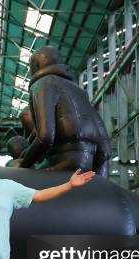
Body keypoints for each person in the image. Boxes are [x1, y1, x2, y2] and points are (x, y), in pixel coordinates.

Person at [19, 46, 111, 175]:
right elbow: (105, 149)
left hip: (61, 161)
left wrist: (23, 166)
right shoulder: (79, 91)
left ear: (36, 65)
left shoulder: (42, 84)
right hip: (88, 163)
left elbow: (45, 137)